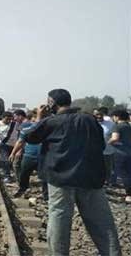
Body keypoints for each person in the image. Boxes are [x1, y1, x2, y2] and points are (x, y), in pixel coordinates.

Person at [24, 89, 121, 256]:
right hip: (90, 178)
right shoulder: (89, 119)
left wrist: (40, 117)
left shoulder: (51, 122)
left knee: (59, 220)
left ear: (51, 103)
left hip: (60, 179)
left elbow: (30, 137)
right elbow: (101, 144)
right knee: (102, 221)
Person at [10, 111, 48, 200]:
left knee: (43, 177)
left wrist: (14, 153)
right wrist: (14, 152)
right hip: (31, 155)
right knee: (25, 174)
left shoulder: (47, 127)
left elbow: (20, 141)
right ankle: (23, 189)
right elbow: (20, 141)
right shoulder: (27, 127)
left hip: (40, 155)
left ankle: (45, 195)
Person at [108, 109, 131, 203]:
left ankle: (129, 195)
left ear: (117, 117)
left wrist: (108, 142)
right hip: (129, 152)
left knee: (124, 175)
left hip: (120, 153)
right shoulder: (128, 126)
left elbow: (115, 138)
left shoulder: (117, 126)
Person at [0, 112, 18, 182]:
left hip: (14, 145)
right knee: (5, 160)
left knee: (13, 160)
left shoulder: (15, 124)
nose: (8, 121)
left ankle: (13, 173)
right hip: (2, 145)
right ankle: (7, 176)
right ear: (2, 118)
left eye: (10, 119)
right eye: (7, 119)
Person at [94, 108, 116, 186]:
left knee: (107, 169)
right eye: (97, 115)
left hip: (107, 151)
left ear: (103, 114)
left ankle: (107, 183)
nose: (99, 116)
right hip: (94, 151)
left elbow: (114, 136)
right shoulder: (91, 124)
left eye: (101, 114)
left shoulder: (111, 124)